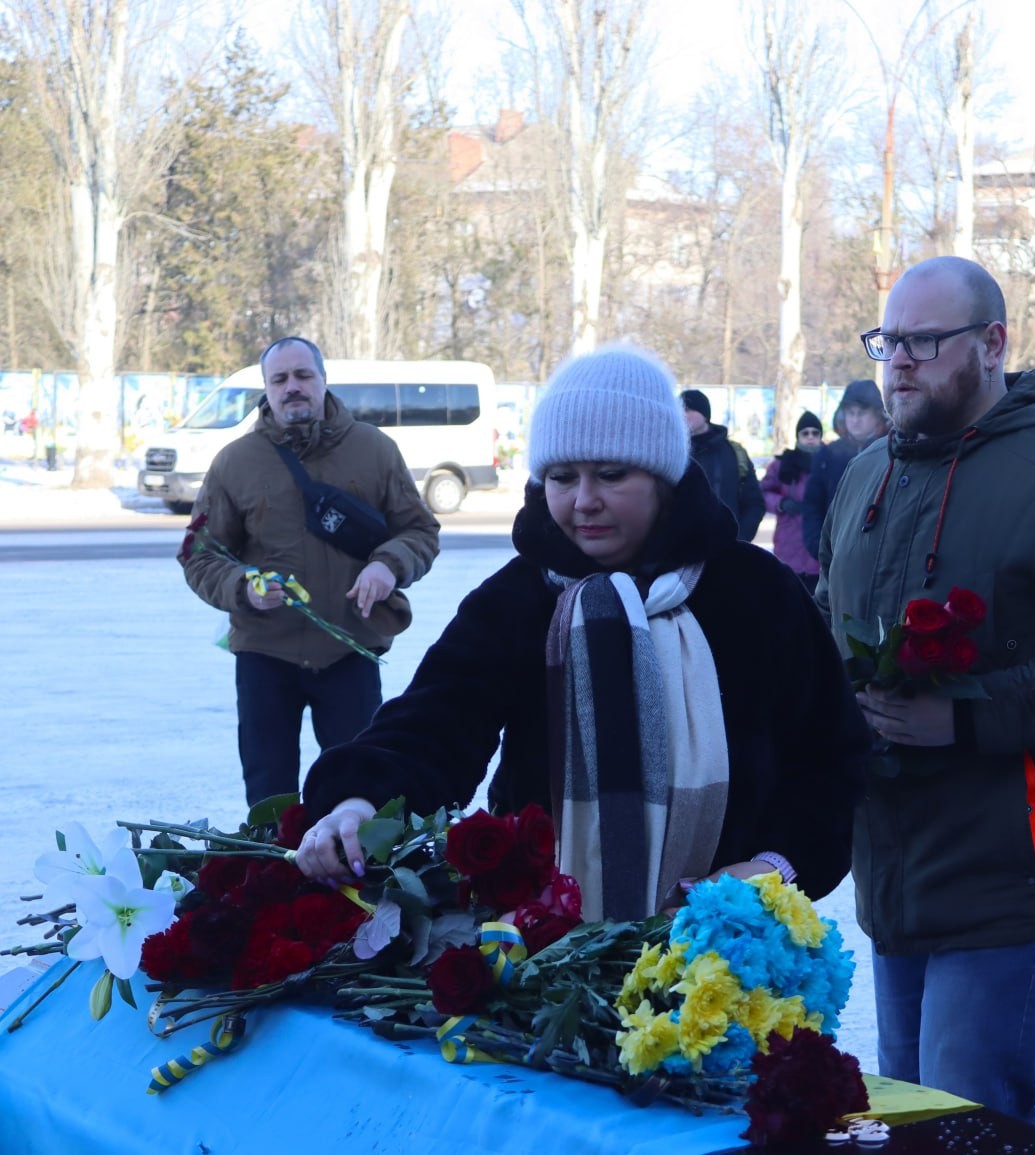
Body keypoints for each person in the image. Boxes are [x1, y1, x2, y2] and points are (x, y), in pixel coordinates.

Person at [297, 344, 866, 919]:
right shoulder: (517, 598)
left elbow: (831, 755)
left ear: (663, 476)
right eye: (563, 477)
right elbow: (436, 721)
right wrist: (359, 800)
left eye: (611, 474)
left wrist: (775, 868)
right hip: (547, 941)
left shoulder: (755, 592)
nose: (584, 501)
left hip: (731, 943)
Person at [816, 256, 1035, 1127]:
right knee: (907, 1122)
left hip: (1006, 875)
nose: (898, 361)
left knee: (963, 1123)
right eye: (888, 341)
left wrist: (964, 715)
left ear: (991, 344)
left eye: (924, 342)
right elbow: (827, 619)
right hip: (893, 870)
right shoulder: (868, 474)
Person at [180, 336, 441, 806]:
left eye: (303, 375)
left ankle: (354, 877)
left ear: (323, 380)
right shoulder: (234, 462)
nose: (292, 387)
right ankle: (269, 876)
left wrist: (388, 565)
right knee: (268, 796)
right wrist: (243, 587)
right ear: (266, 388)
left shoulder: (374, 449)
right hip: (265, 656)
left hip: (348, 649)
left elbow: (420, 531)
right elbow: (199, 555)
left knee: (359, 792)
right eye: (279, 379)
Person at [801, 379, 888, 560]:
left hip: (880, 557)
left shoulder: (892, 451)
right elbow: (812, 505)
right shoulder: (827, 455)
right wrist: (819, 547)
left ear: (878, 415)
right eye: (851, 413)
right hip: (833, 555)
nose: (855, 420)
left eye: (862, 413)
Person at [678, 388, 765, 541]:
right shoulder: (671, 451)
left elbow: (754, 502)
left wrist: (740, 539)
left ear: (705, 415)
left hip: (726, 550)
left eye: (689, 409)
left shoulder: (733, 453)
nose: (683, 414)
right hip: (677, 553)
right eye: (680, 409)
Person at [760, 410, 823, 593]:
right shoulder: (782, 464)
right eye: (805, 433)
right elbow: (762, 493)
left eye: (815, 433)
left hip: (819, 544)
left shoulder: (829, 462)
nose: (810, 437)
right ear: (798, 437)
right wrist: (781, 503)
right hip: (789, 544)